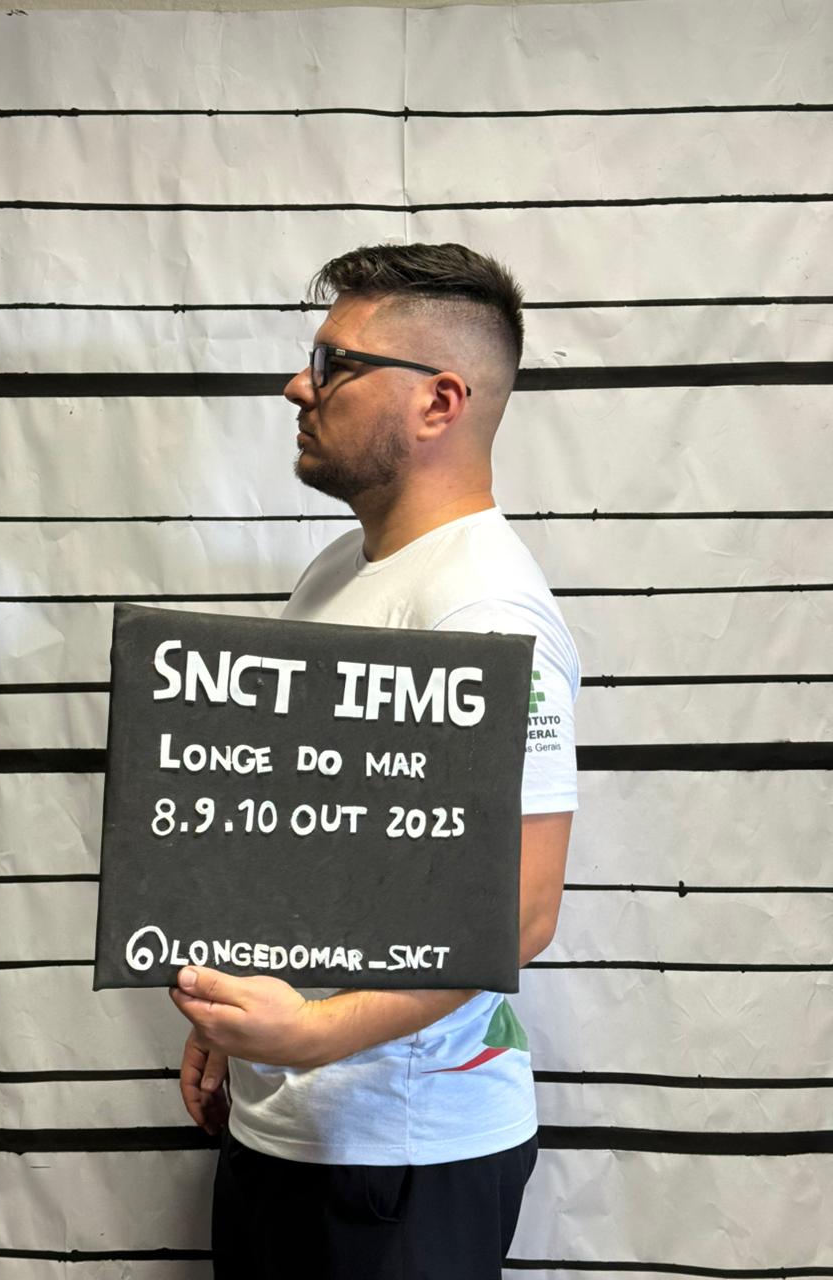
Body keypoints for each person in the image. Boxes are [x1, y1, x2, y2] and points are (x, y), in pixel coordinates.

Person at [170, 242, 580, 1279]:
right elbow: (309, 835)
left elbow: (522, 911)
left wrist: (310, 1035)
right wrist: (235, 1021)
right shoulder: (336, 573)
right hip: (288, 1128)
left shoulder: (483, 607)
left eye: (335, 363)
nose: (298, 385)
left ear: (439, 401)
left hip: (402, 1154)